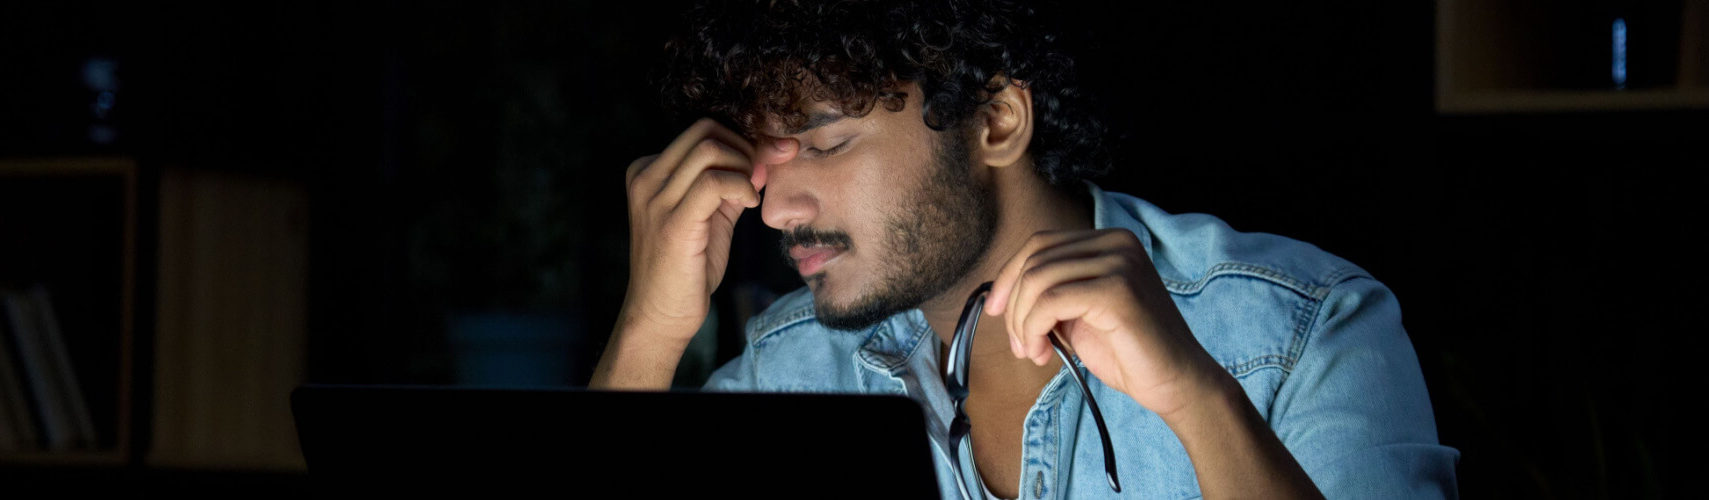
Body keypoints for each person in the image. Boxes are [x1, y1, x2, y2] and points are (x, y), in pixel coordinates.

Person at [589, 1, 1458, 498]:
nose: (774, 206)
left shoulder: (1303, 330)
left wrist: (1197, 400)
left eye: (822, 144)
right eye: (760, 153)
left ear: (996, 121)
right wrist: (647, 334)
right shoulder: (792, 369)